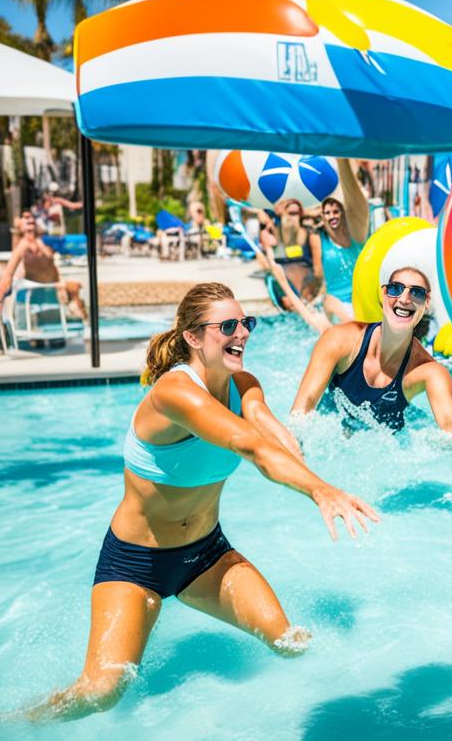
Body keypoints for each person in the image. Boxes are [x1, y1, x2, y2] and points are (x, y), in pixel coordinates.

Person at [27, 283, 379, 723]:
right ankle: (19, 723)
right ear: (193, 337)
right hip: (136, 565)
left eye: (246, 323)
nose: (242, 334)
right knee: (101, 692)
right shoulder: (175, 394)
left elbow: (269, 432)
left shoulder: (243, 383)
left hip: (207, 556)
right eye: (227, 326)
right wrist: (320, 491)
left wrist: (304, 450)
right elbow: (250, 446)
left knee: (292, 643)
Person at [291, 266, 452, 459]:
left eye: (417, 293)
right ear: (383, 296)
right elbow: (304, 405)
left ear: (425, 304)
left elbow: (451, 426)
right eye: (395, 289)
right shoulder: (341, 339)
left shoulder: (428, 371)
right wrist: (297, 447)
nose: (404, 298)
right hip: (330, 431)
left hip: (382, 443)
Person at [0, 210, 87, 320]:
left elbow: (53, 266)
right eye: (26, 218)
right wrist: (0, 291)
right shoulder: (22, 246)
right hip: (35, 294)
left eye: (31, 217)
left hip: (51, 291)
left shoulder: (44, 241)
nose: (30, 220)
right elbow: (9, 272)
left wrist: (62, 283)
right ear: (19, 224)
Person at [311, 158, 370, 323]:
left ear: (343, 213)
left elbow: (359, 208)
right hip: (335, 299)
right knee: (331, 306)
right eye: (327, 213)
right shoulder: (319, 239)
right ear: (322, 217)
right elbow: (317, 272)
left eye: (336, 211)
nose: (332, 216)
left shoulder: (356, 236)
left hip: (358, 296)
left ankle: (342, 159)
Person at [258, 199, 330, 332]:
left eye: (295, 214)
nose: (292, 217)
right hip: (283, 283)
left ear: (301, 215)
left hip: (307, 283)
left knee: (304, 299)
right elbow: (270, 265)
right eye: (289, 213)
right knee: (287, 300)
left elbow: (318, 269)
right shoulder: (273, 234)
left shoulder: (310, 234)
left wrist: (315, 289)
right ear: (281, 214)